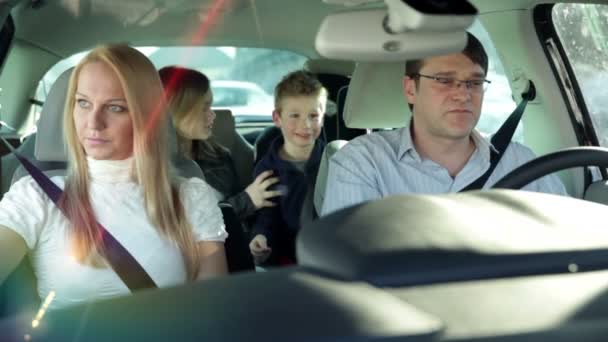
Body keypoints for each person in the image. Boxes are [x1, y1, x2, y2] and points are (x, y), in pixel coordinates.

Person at [0, 45, 228, 311]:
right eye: (83, 103)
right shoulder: (34, 195)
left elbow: (210, 305)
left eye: (116, 108)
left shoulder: (190, 195)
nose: (93, 122)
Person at [321, 33, 567, 216]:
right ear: (410, 89)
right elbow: (352, 267)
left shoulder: (521, 163)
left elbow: (569, 242)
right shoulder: (363, 164)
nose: (463, 94)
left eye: (474, 82)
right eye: (444, 80)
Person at [158, 66, 281, 220]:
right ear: (176, 110)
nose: (213, 115)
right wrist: (246, 201)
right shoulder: (153, 169)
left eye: (211, 106)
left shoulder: (219, 156)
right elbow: (187, 225)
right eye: (204, 108)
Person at [248, 70, 327, 266]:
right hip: (289, 258)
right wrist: (261, 237)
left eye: (313, 115)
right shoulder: (267, 169)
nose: (306, 124)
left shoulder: (334, 160)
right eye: (295, 116)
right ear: (277, 118)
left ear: (323, 117)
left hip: (329, 253)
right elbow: (266, 216)